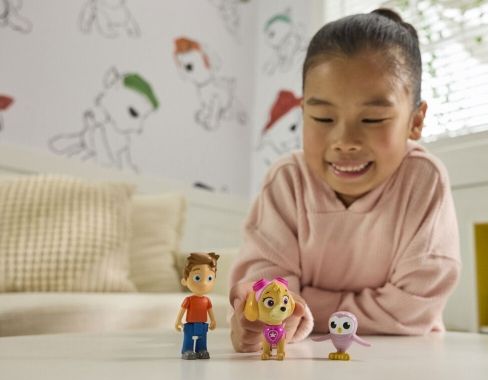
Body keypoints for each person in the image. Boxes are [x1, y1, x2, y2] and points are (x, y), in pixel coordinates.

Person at [229, 8, 461, 352]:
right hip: (299, 356)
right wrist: (257, 314)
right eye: (323, 117)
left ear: (415, 121)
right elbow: (263, 290)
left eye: (373, 119)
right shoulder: (286, 181)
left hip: (406, 355)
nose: (345, 141)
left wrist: (301, 307)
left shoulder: (423, 180)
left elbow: (411, 310)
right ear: (303, 112)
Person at [175, 252, 219, 359]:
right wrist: (178, 321)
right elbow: (182, 310)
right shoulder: (188, 300)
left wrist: (213, 321)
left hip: (203, 325)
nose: (204, 283)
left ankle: (201, 350)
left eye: (209, 278)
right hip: (190, 325)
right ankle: (187, 350)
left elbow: (210, 311)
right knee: (188, 339)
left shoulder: (207, 300)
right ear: (185, 281)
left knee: (202, 339)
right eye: (197, 278)